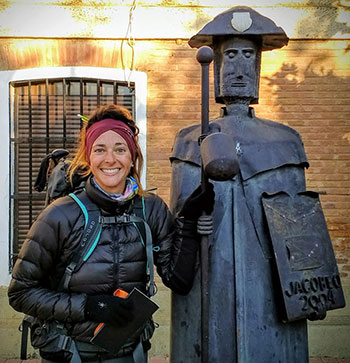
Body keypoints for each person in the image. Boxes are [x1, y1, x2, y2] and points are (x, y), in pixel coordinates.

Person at [8, 104, 215, 363]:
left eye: (120, 149)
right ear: (88, 157)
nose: (110, 159)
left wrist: (189, 221)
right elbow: (20, 293)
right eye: (100, 149)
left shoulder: (150, 209)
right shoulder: (60, 215)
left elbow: (179, 281)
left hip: (131, 353)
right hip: (70, 353)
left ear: (132, 156)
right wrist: (91, 306)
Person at [170, 6, 311, 363]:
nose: (238, 66)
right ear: (215, 63)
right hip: (210, 284)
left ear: (259, 65)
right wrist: (192, 222)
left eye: (248, 55)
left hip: (270, 292)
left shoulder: (285, 141)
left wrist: (310, 285)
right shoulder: (191, 141)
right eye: (229, 54)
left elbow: (301, 228)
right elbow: (179, 223)